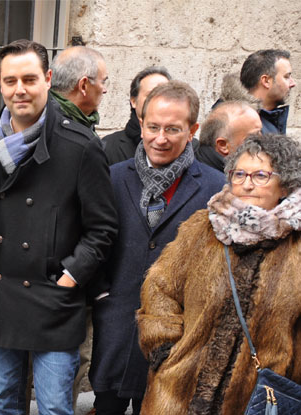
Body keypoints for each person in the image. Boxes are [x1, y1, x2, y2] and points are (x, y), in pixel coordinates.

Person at [0, 39, 117, 415]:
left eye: (30, 79)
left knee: (54, 408)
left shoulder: (80, 145)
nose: (20, 90)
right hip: (1, 296)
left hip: (53, 300)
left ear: (48, 79)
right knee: (5, 402)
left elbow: (102, 228)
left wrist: (70, 276)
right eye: (10, 81)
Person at [137, 134, 301, 415]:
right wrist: (164, 348)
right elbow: (160, 288)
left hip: (258, 398)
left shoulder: (295, 244)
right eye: (240, 174)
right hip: (178, 391)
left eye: (260, 175)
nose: (247, 184)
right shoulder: (202, 228)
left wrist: (290, 374)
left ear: (285, 184)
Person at [89, 81, 226, 415]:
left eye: (172, 129)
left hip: (175, 340)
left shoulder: (215, 187)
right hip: (117, 328)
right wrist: (100, 293)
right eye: (153, 127)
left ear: (192, 130)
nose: (160, 139)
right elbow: (90, 236)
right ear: (141, 124)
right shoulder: (112, 177)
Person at [103, 66, 171, 165]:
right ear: (134, 101)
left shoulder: (188, 148)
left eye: (165, 95)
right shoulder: (108, 147)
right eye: (151, 95)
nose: (159, 101)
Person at [49, 46, 108, 138]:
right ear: (83, 86)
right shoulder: (64, 134)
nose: (105, 90)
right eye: (103, 82)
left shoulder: (44, 116)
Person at [195, 100, 263, 172]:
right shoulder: (216, 178)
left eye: (261, 132)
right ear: (223, 145)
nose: (262, 142)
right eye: (253, 138)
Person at [240, 49, 295, 134]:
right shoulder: (239, 122)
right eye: (286, 77)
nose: (293, 83)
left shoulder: (268, 120)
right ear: (266, 81)